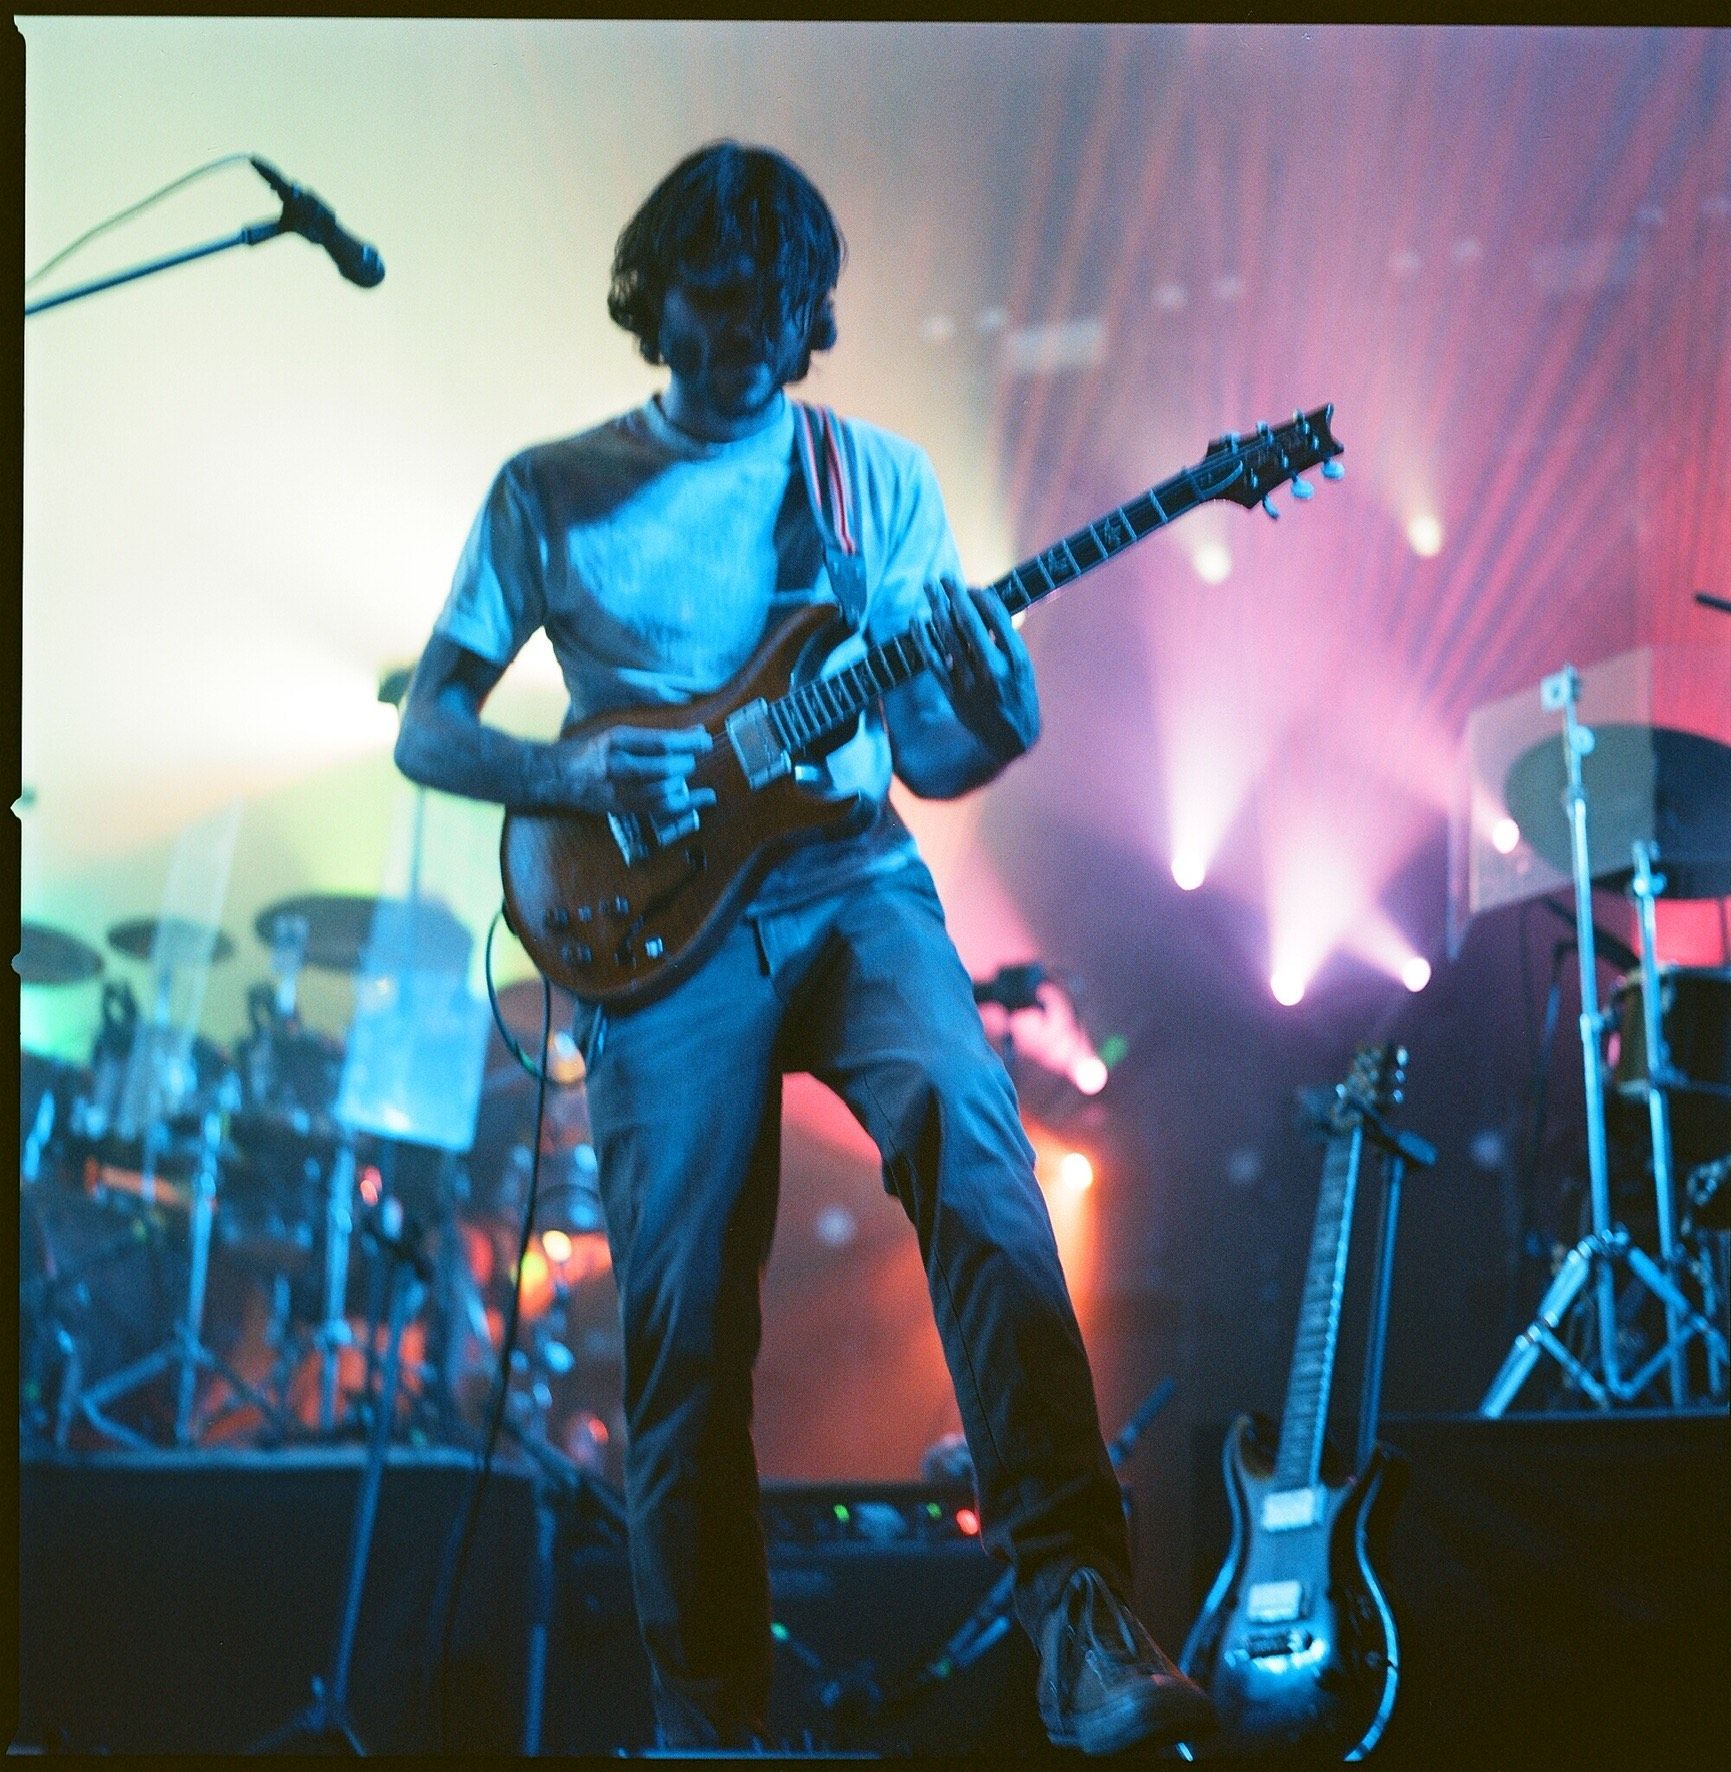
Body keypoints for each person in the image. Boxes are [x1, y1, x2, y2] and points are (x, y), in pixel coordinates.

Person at [395, 140, 1213, 1756]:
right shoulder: (548, 490)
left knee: (981, 1172)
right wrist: (568, 770)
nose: (738, 347)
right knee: (686, 1321)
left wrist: (1002, 696)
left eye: (770, 315)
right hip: (649, 932)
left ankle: (1082, 1626)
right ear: (653, 301)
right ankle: (708, 1721)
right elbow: (430, 726)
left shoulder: (867, 484)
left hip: (848, 878)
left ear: (805, 315)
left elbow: (934, 755)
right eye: (708, 310)